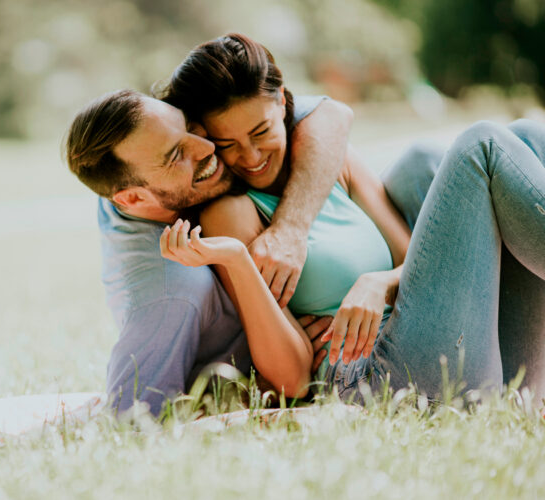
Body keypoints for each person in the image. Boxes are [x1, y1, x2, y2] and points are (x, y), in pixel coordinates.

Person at [159, 33, 545, 403]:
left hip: (458, 349)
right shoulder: (232, 213)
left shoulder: (329, 161)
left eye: (260, 132)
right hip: (378, 373)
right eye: (228, 145)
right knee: (483, 146)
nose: (251, 156)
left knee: (527, 135)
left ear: (281, 102)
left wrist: (379, 285)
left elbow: (414, 261)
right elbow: (291, 380)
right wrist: (238, 261)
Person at [65, 88, 354, 415]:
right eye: (176, 155)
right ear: (133, 199)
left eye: (189, 125)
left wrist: (291, 227)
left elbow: (332, 114)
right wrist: (248, 392)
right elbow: (132, 422)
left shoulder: (153, 132)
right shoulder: (170, 293)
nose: (208, 146)